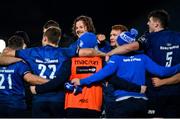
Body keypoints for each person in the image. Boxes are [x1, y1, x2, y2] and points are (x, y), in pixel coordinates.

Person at [71, 29, 180, 117]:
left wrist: (82, 81)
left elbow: (102, 74)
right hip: (142, 102)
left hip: (122, 103)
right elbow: (162, 72)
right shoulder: (143, 57)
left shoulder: (116, 58)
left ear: (121, 44)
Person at [106, 9, 180, 117]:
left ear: (156, 24)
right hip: (176, 92)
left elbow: (131, 47)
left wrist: (109, 53)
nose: (147, 23)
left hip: (155, 93)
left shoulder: (149, 37)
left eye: (149, 21)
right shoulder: (178, 36)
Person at [0, 35, 48, 117]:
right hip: (16, 105)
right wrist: (51, 82)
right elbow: (29, 78)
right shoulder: (20, 64)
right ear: (22, 47)